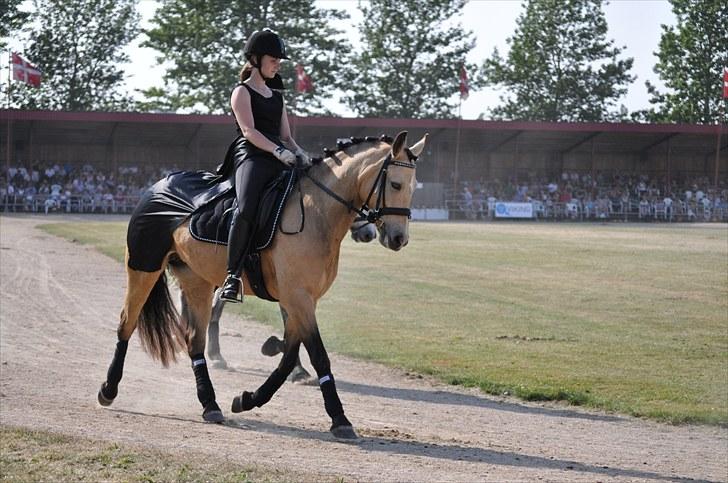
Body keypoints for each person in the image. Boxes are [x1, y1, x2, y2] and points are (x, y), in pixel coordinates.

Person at [218, 28, 311, 303]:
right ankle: (232, 275)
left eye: (279, 61)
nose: (277, 64)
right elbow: (248, 131)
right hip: (252, 156)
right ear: (256, 59)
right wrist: (278, 151)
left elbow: (286, 136)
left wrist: (300, 152)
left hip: (280, 154)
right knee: (246, 207)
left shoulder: (277, 95)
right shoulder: (242, 92)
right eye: (273, 59)